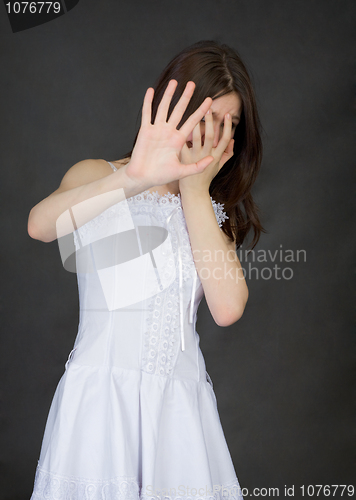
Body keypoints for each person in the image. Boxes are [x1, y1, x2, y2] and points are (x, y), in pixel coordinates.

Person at [28, 40, 264, 500]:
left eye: (230, 126)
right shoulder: (98, 174)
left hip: (178, 411)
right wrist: (137, 176)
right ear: (174, 111)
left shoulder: (213, 215)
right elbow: (40, 225)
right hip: (100, 404)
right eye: (208, 120)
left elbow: (228, 307)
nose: (216, 137)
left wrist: (194, 191)